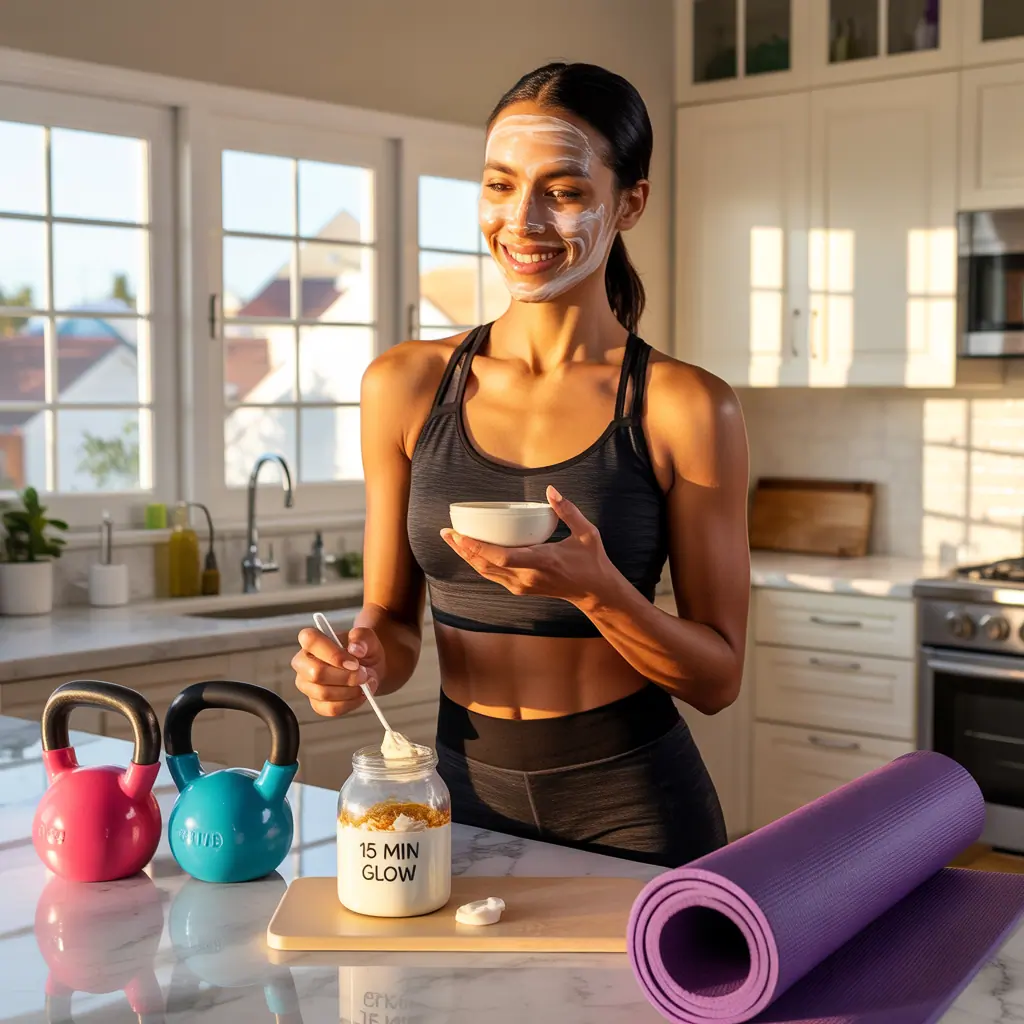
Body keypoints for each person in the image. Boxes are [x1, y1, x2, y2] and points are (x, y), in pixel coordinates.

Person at [292, 61, 750, 868]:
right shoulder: (404, 386)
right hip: (453, 802)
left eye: (564, 191)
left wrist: (599, 593)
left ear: (630, 202)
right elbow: (392, 623)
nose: (522, 220)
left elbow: (717, 680)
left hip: (636, 809)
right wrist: (358, 659)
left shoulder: (682, 406)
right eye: (500, 186)